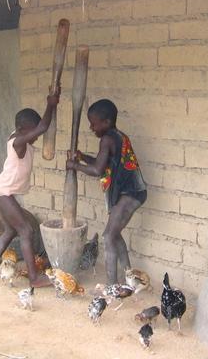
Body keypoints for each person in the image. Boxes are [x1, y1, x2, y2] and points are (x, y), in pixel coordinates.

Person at [0, 89, 60, 287]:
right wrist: (50, 104)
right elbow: (42, 127)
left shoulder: (20, 136)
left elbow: (40, 127)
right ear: (22, 129)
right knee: (26, 230)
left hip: (2, 192)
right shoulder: (18, 142)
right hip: (2, 193)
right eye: (31, 132)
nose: (35, 137)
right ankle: (34, 279)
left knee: (10, 232)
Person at [66, 99, 146, 285]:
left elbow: (97, 170)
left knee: (109, 236)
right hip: (132, 192)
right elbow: (102, 164)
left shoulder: (107, 139)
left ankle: (112, 286)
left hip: (130, 193)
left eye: (94, 123)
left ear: (107, 122)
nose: (91, 127)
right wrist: (83, 157)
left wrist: (74, 165)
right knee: (114, 234)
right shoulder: (118, 136)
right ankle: (129, 277)